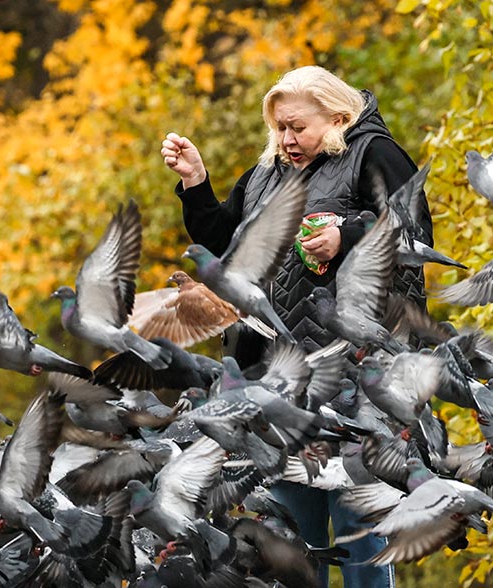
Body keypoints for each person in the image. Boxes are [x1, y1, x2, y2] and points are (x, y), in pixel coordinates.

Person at [162, 65, 433, 587]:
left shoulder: (374, 154)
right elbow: (226, 249)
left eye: (297, 127)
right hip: (275, 384)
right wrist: (196, 186)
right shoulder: (266, 173)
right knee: (287, 538)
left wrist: (347, 235)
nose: (286, 139)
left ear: (337, 116)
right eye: (279, 127)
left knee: (359, 529)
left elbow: (414, 231)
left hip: (360, 376)